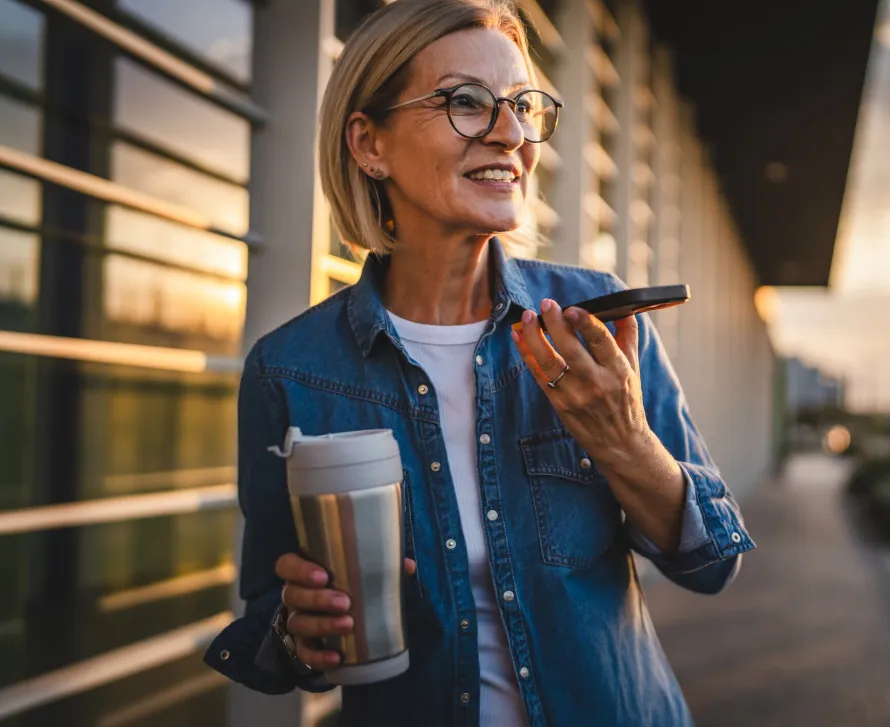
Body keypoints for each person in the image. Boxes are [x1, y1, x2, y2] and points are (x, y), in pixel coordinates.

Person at [205, 0, 754, 724]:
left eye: (523, 106)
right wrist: (299, 631)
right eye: (467, 102)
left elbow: (714, 562)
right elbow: (272, 627)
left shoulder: (598, 324)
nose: (512, 133)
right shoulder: (291, 371)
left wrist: (623, 439)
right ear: (369, 143)